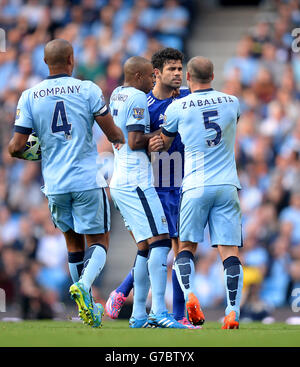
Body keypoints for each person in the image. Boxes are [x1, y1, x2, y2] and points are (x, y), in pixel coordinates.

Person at [8, 38, 125, 328]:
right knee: (98, 241)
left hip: (56, 185)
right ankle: (85, 286)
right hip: (86, 179)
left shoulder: (30, 96)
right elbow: (112, 132)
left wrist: (36, 150)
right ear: (72, 59)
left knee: (72, 243)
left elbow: (14, 147)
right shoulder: (88, 90)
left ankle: (83, 307)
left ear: (45, 62)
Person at [105, 48, 201, 328]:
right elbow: (132, 139)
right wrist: (151, 144)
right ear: (156, 73)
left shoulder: (187, 99)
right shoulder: (144, 103)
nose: (178, 74)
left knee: (178, 248)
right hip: (157, 181)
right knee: (161, 246)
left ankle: (138, 299)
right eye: (172, 69)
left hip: (183, 180)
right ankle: (144, 302)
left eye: (181, 69)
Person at [160, 56, 244, 329]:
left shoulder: (178, 106)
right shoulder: (232, 101)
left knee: (185, 248)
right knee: (229, 251)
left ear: (187, 77)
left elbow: (166, 140)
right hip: (227, 184)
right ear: (213, 75)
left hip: (195, 184)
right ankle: (232, 312)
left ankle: (189, 297)